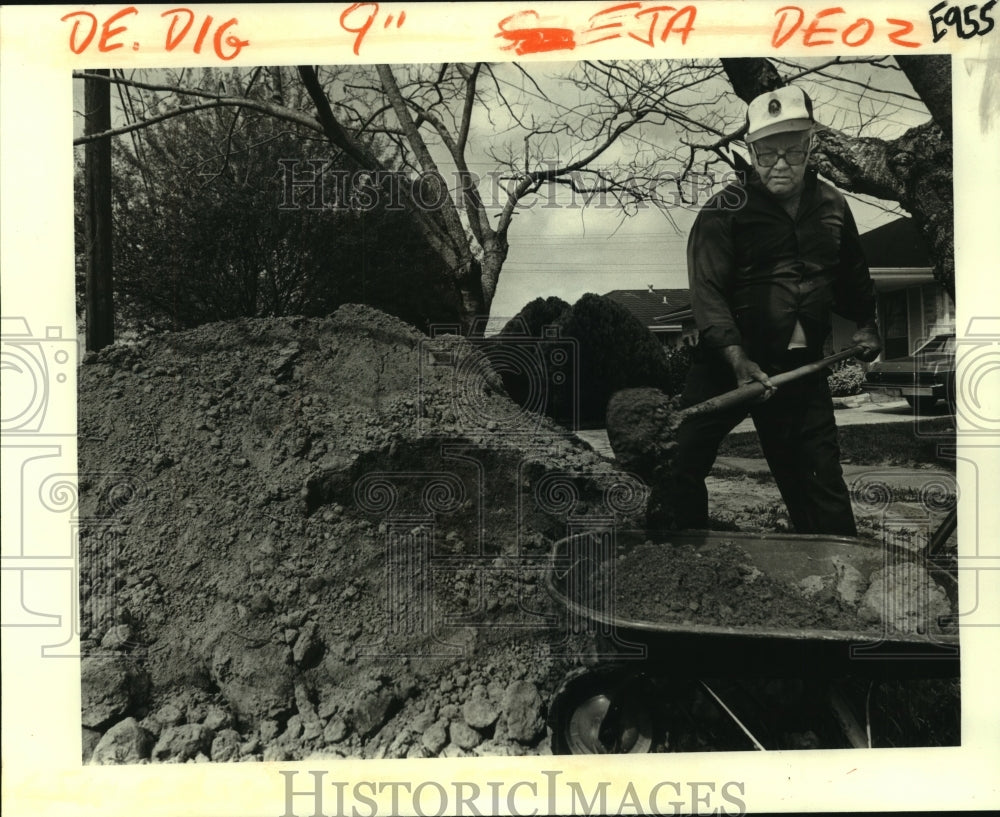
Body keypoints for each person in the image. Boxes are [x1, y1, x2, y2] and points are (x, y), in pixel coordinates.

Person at [651, 85, 882, 536]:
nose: (780, 163)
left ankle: (836, 574)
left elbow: (853, 273)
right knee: (680, 459)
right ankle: (686, 560)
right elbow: (708, 294)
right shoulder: (725, 210)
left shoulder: (833, 205)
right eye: (767, 152)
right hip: (728, 363)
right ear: (751, 149)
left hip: (803, 367)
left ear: (810, 146)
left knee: (819, 480)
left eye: (792, 151)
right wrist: (737, 359)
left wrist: (868, 324)